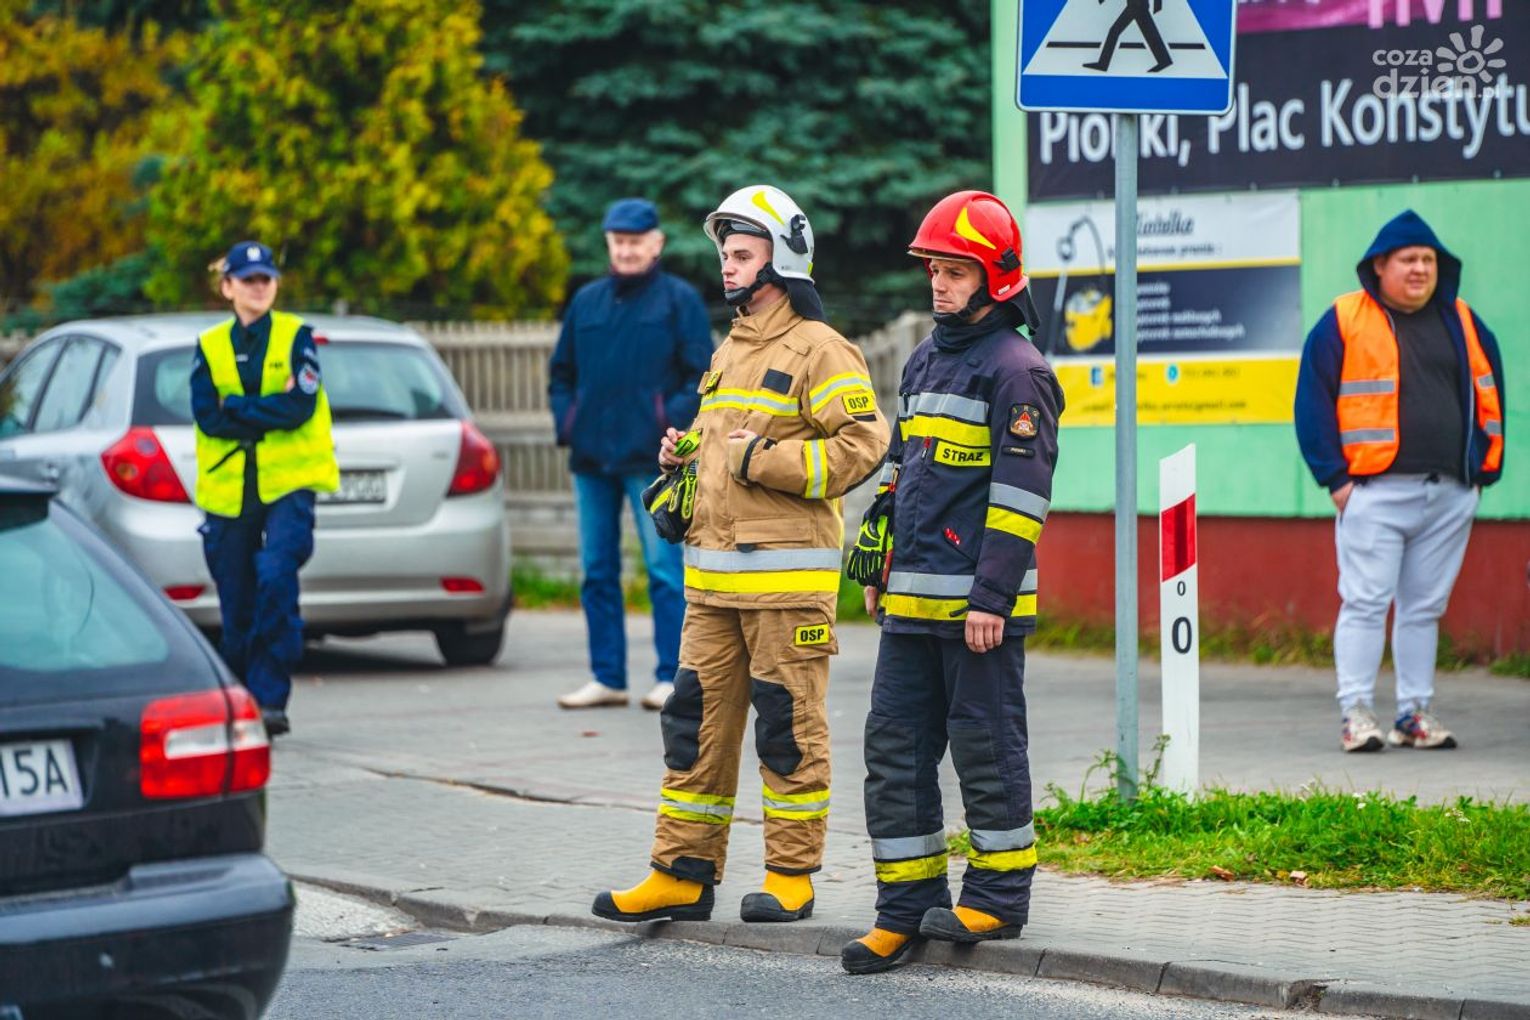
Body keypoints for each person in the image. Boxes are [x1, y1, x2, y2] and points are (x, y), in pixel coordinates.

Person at [591, 185, 889, 924]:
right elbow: (721, 445)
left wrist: (763, 460)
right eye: (725, 253)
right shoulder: (730, 350)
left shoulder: (822, 349)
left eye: (742, 254)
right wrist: (684, 454)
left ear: (781, 259)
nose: (727, 266)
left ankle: (791, 877)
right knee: (691, 727)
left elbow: (863, 446)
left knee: (789, 731)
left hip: (787, 591)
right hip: (712, 585)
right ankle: (681, 872)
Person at [840, 191, 1062, 975]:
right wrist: (875, 560)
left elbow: (1021, 496)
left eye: (955, 271)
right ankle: (904, 908)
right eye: (933, 269)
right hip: (909, 604)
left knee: (986, 752)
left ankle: (997, 899)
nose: (938, 283)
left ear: (995, 278)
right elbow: (901, 470)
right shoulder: (927, 358)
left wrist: (991, 599)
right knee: (893, 753)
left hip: (978, 612)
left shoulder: (1019, 372)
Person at [1295, 210, 1505, 754]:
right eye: (1408, 259)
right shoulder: (1344, 319)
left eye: (1428, 260)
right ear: (1379, 266)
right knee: (1365, 602)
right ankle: (1356, 714)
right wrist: (1336, 481)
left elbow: (1491, 391)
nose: (1420, 269)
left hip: (1450, 494)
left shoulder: (1463, 320)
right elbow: (1312, 401)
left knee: (1423, 608)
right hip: (1374, 492)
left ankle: (1414, 714)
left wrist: (1482, 475)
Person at [549, 198, 714, 711]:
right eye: (618, 241)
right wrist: (570, 423)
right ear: (608, 243)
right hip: (591, 461)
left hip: (652, 462)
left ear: (656, 243)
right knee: (596, 571)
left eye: (635, 241)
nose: (625, 250)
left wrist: (669, 430)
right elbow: (561, 373)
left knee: (664, 572)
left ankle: (671, 676)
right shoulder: (586, 301)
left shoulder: (679, 301)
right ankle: (607, 678)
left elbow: (701, 376)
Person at [190, 241, 338, 737]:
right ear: (227, 287)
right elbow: (207, 416)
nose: (259, 287)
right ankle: (242, 699)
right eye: (248, 279)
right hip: (230, 489)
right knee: (236, 600)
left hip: (288, 487)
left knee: (275, 575)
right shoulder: (210, 345)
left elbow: (299, 406)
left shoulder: (297, 336)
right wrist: (260, 410)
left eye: (266, 279)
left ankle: (271, 699)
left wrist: (237, 407)